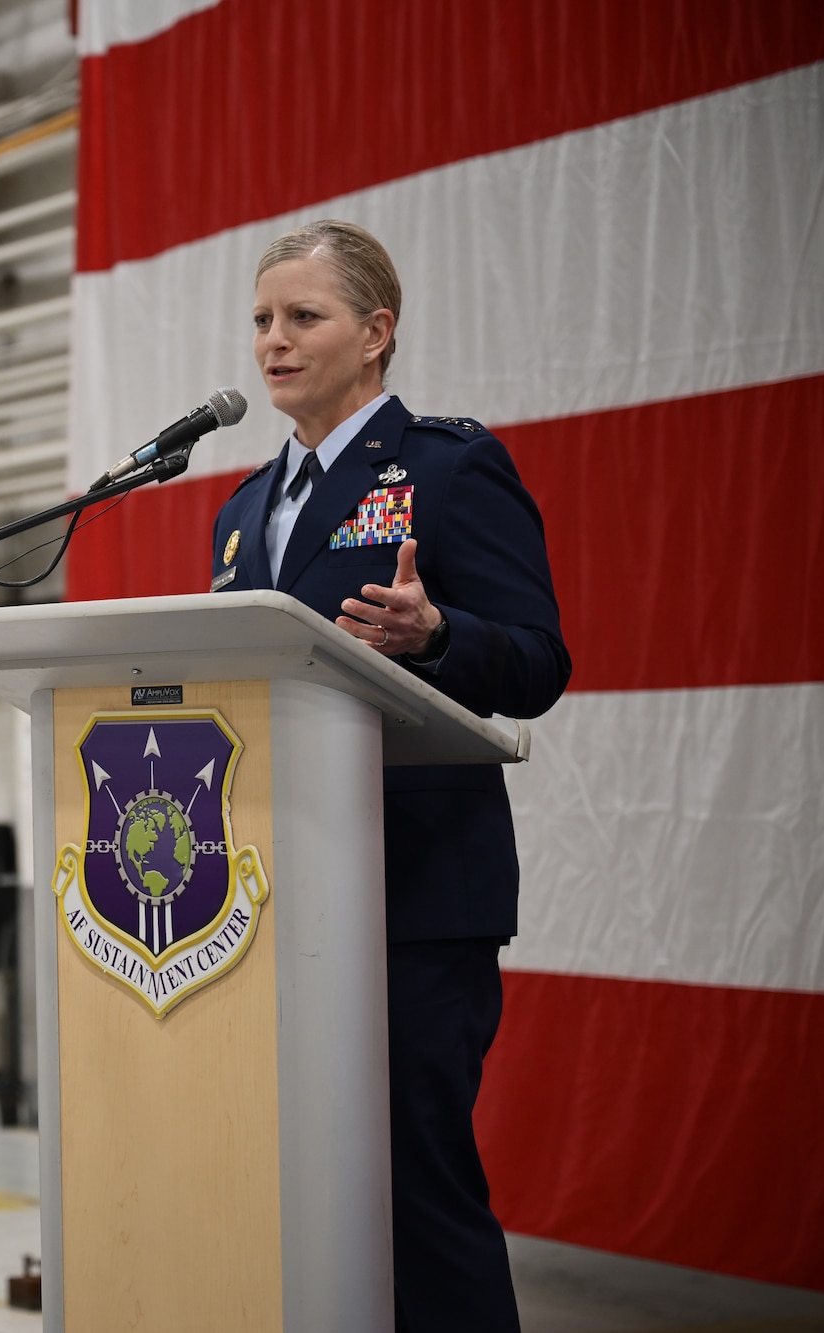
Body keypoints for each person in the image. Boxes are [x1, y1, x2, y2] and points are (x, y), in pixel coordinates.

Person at [210, 220, 570, 1331]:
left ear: (374, 334)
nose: (273, 340)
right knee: (295, 1184)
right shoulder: (236, 516)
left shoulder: (449, 467)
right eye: (262, 319)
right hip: (274, 896)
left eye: (301, 317)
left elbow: (538, 661)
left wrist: (437, 633)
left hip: (413, 892)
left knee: (415, 1187)